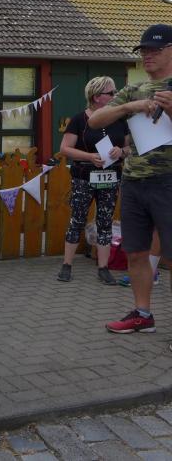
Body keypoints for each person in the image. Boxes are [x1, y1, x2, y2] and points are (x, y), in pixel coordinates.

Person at [88, 23, 172, 334]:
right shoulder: (131, 90)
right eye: (144, 50)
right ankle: (142, 315)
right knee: (136, 252)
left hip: (168, 181)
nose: (147, 55)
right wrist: (129, 106)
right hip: (134, 182)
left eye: (155, 49)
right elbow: (94, 120)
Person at [57, 76, 130, 285]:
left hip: (111, 176)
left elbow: (130, 147)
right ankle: (67, 266)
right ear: (97, 97)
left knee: (105, 222)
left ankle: (103, 268)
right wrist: (89, 157)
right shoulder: (79, 120)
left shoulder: (120, 120)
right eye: (111, 93)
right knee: (77, 220)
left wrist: (121, 151)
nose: (115, 95)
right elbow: (65, 148)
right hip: (84, 177)